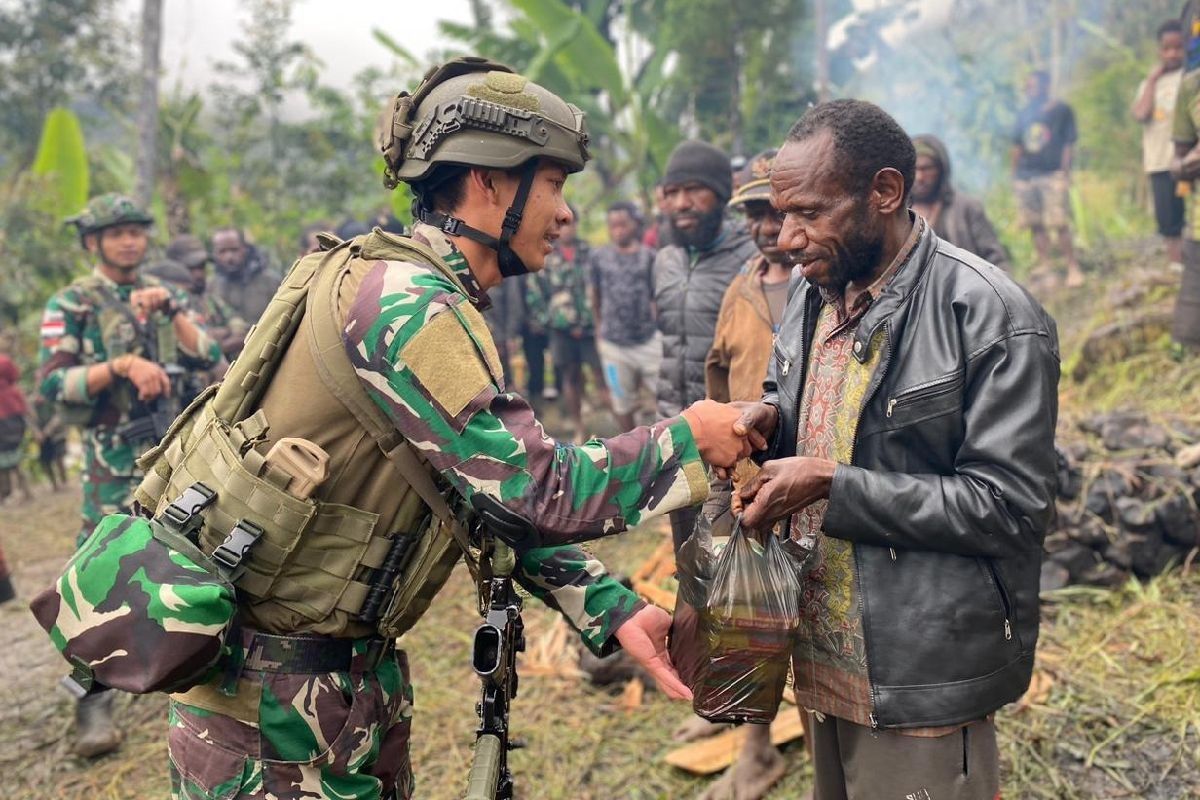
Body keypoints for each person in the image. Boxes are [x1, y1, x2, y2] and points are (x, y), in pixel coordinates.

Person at [151, 57, 751, 800]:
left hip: (320, 693)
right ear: (489, 182)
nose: (567, 215)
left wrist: (609, 606)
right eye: (556, 185)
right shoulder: (409, 307)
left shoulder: (402, 285)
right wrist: (689, 438)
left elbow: (474, 495)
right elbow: (533, 490)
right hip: (274, 719)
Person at [733, 99, 1059, 800]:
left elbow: (1009, 508)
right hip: (821, 654)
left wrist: (831, 485)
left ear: (885, 192)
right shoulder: (812, 291)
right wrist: (765, 414)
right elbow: (795, 389)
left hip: (922, 674)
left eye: (809, 213)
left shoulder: (990, 316)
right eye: (780, 213)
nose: (787, 238)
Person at [37, 193, 221, 758]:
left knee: (193, 557)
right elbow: (52, 384)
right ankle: (92, 701)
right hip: (111, 461)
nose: (130, 241)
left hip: (172, 454)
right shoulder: (73, 304)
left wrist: (170, 312)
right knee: (100, 576)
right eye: (116, 233)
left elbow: (208, 351)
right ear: (93, 242)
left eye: (137, 231)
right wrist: (120, 365)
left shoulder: (165, 296)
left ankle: (189, 671)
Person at [696, 149, 792, 800]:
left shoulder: (821, 286)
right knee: (740, 609)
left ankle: (772, 744)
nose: (765, 224)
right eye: (755, 212)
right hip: (742, 474)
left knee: (789, 613)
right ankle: (745, 736)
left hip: (801, 478)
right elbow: (714, 374)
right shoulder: (742, 287)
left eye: (776, 209)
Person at [655, 139, 758, 552]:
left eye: (694, 190)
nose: (682, 203)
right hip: (677, 431)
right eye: (672, 193)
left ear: (722, 194)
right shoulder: (665, 261)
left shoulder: (751, 261)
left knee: (735, 556)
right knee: (689, 554)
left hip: (730, 439)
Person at [526, 206, 608, 441]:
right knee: (569, 377)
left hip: (591, 329)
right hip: (561, 330)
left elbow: (603, 288)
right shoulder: (547, 254)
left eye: (570, 224)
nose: (566, 229)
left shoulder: (590, 253)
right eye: (561, 225)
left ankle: (614, 417)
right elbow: (535, 293)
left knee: (600, 376)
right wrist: (551, 320)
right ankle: (579, 426)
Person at [589, 200, 660, 429]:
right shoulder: (599, 257)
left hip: (648, 339)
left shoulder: (649, 257)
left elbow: (655, 295)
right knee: (621, 400)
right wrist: (599, 328)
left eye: (623, 224)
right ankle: (631, 447)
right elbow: (595, 294)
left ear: (635, 225)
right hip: (613, 343)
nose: (618, 230)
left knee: (664, 394)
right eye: (613, 225)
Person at [1011, 69, 1083, 287]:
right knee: (1035, 223)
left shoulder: (1061, 110)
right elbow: (1017, 146)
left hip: (1052, 174)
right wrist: (1015, 177)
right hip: (1026, 175)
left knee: (1059, 222)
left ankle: (1073, 267)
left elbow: (1068, 143)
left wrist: (1064, 172)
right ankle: (1046, 264)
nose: (1030, 90)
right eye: (1028, 86)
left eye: (1034, 85)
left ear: (1045, 86)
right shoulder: (1023, 114)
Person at [910, 135, 1011, 270]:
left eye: (927, 168)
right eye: (915, 169)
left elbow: (996, 260)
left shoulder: (966, 208)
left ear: (941, 170)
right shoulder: (897, 213)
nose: (920, 177)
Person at [1133, 20, 1187, 271]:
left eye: (1178, 47)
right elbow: (1141, 113)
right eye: (1167, 48)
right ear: (1159, 50)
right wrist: (1153, 81)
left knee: (1191, 214)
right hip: (1159, 161)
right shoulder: (1149, 84)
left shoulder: (1190, 77)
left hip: (1189, 161)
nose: (1172, 53)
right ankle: (1176, 266)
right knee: (1169, 219)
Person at [165, 233, 247, 360]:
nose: (198, 274)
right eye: (191, 268)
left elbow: (239, 327)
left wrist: (225, 334)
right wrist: (215, 342)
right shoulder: (167, 301)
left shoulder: (209, 299)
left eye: (202, 267)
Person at [210, 226, 282, 325]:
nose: (229, 257)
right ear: (215, 254)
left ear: (245, 249)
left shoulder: (271, 282)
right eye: (222, 251)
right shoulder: (211, 288)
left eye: (234, 250)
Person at [0, 353, 33, 506]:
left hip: (6, 422)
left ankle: (7, 494)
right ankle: (24, 491)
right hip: (15, 422)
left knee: (5, 461)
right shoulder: (13, 390)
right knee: (15, 459)